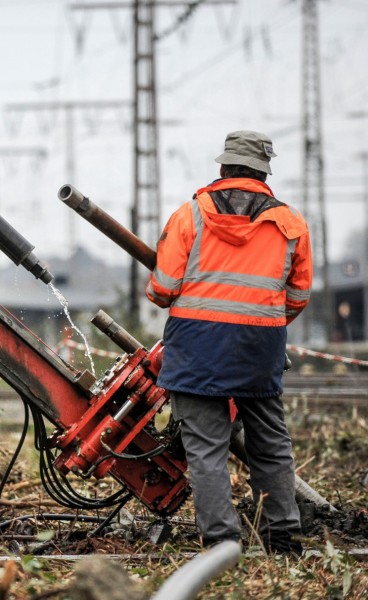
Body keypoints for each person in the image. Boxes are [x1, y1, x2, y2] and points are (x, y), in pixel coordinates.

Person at [146, 130, 313, 553]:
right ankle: (284, 538)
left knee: (206, 449)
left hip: (197, 345)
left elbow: (162, 289)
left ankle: (221, 544)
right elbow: (298, 295)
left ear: (222, 168)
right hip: (260, 347)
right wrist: (263, 319)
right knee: (271, 445)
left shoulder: (190, 215)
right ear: (263, 173)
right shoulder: (291, 223)